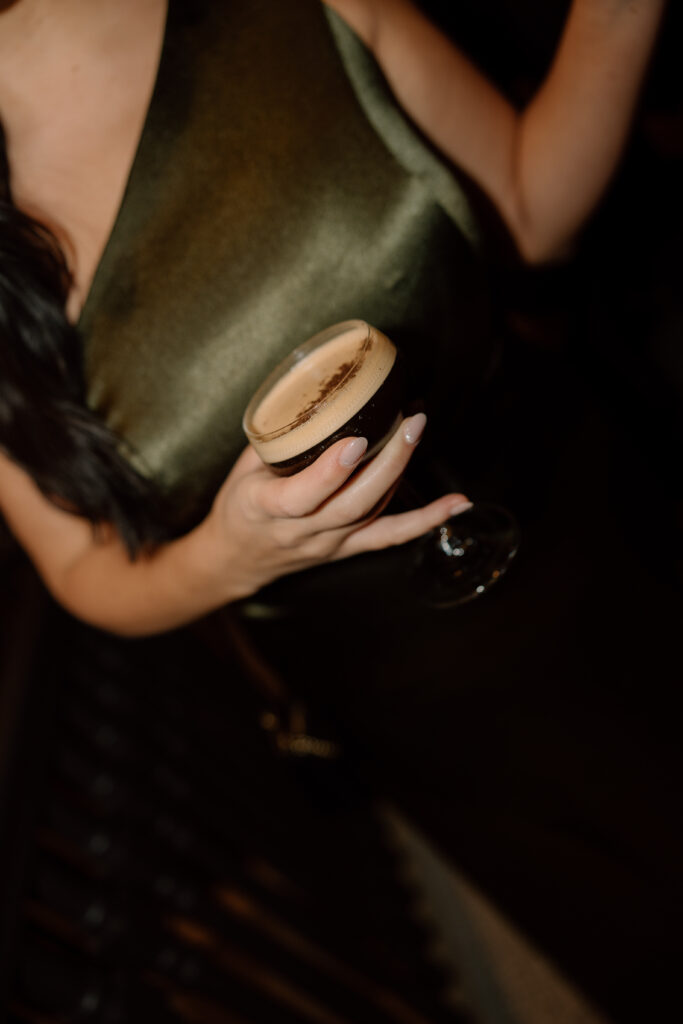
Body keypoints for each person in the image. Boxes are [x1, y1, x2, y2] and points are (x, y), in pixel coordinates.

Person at [0, 1, 675, 1020]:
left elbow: (529, 209)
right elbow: (79, 569)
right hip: (412, 699)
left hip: (586, 522)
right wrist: (226, 557)